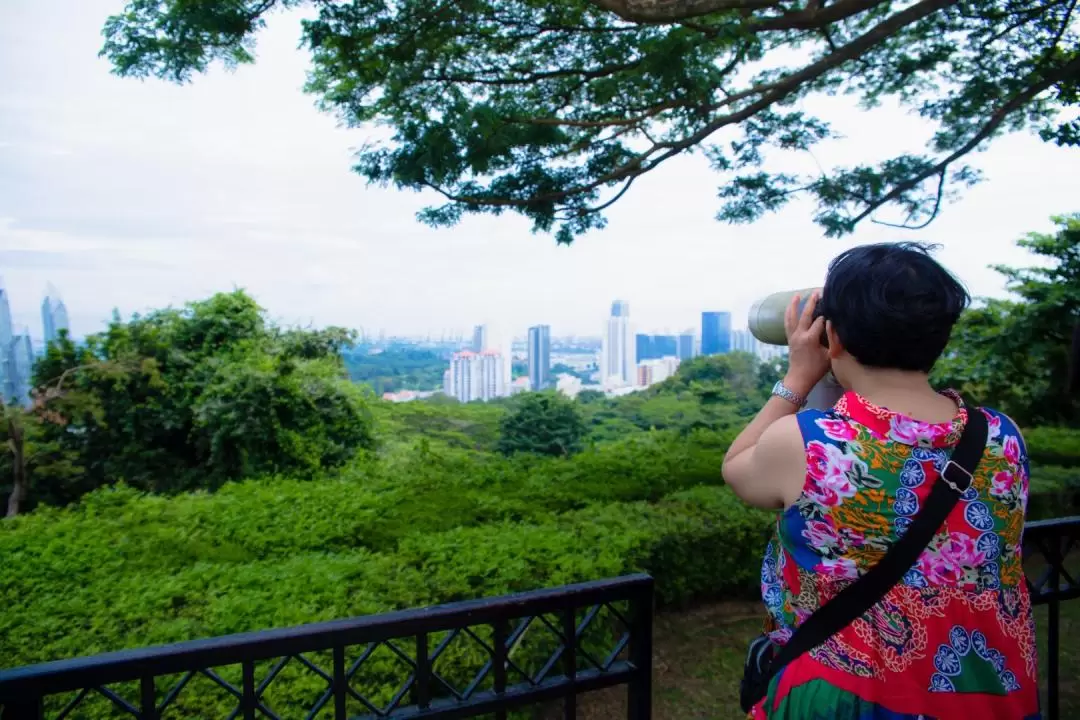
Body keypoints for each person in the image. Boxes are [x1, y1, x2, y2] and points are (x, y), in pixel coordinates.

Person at [722, 243, 1039, 719]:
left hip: (851, 696)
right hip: (990, 690)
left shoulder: (810, 444)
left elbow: (738, 467)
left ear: (835, 335)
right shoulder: (1002, 435)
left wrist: (798, 377)